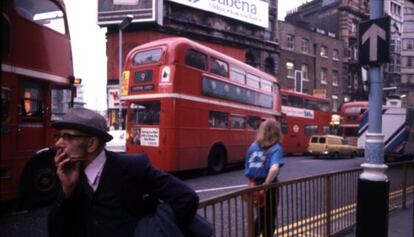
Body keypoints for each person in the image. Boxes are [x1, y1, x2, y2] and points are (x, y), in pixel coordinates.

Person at [48, 108, 199, 237]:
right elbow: (55, 231)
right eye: (59, 136)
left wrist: (154, 231)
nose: (58, 144)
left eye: (67, 137)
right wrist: (67, 190)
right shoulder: (67, 172)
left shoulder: (133, 167)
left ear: (91, 144)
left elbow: (186, 198)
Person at [244, 118, 284, 237]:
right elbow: (274, 169)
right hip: (269, 186)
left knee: (260, 216)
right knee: (270, 218)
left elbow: (247, 165)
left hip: (254, 185)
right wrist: (267, 184)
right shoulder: (276, 147)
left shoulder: (252, 146)